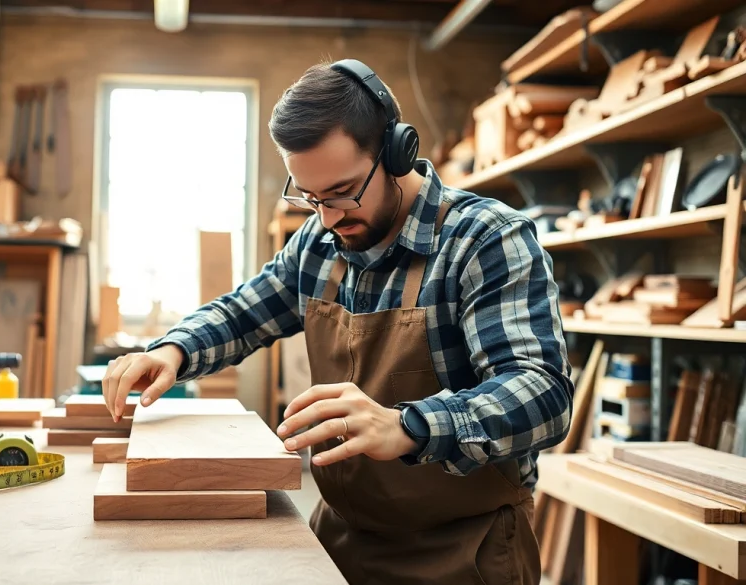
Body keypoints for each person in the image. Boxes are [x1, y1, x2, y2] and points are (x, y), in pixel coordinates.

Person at [101, 59, 574, 584]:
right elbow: (242, 312)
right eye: (310, 197)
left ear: (397, 153)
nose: (327, 217)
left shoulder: (485, 240)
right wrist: (173, 351)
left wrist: (408, 426)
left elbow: (543, 396)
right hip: (339, 542)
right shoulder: (320, 242)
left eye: (343, 191)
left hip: (463, 552)